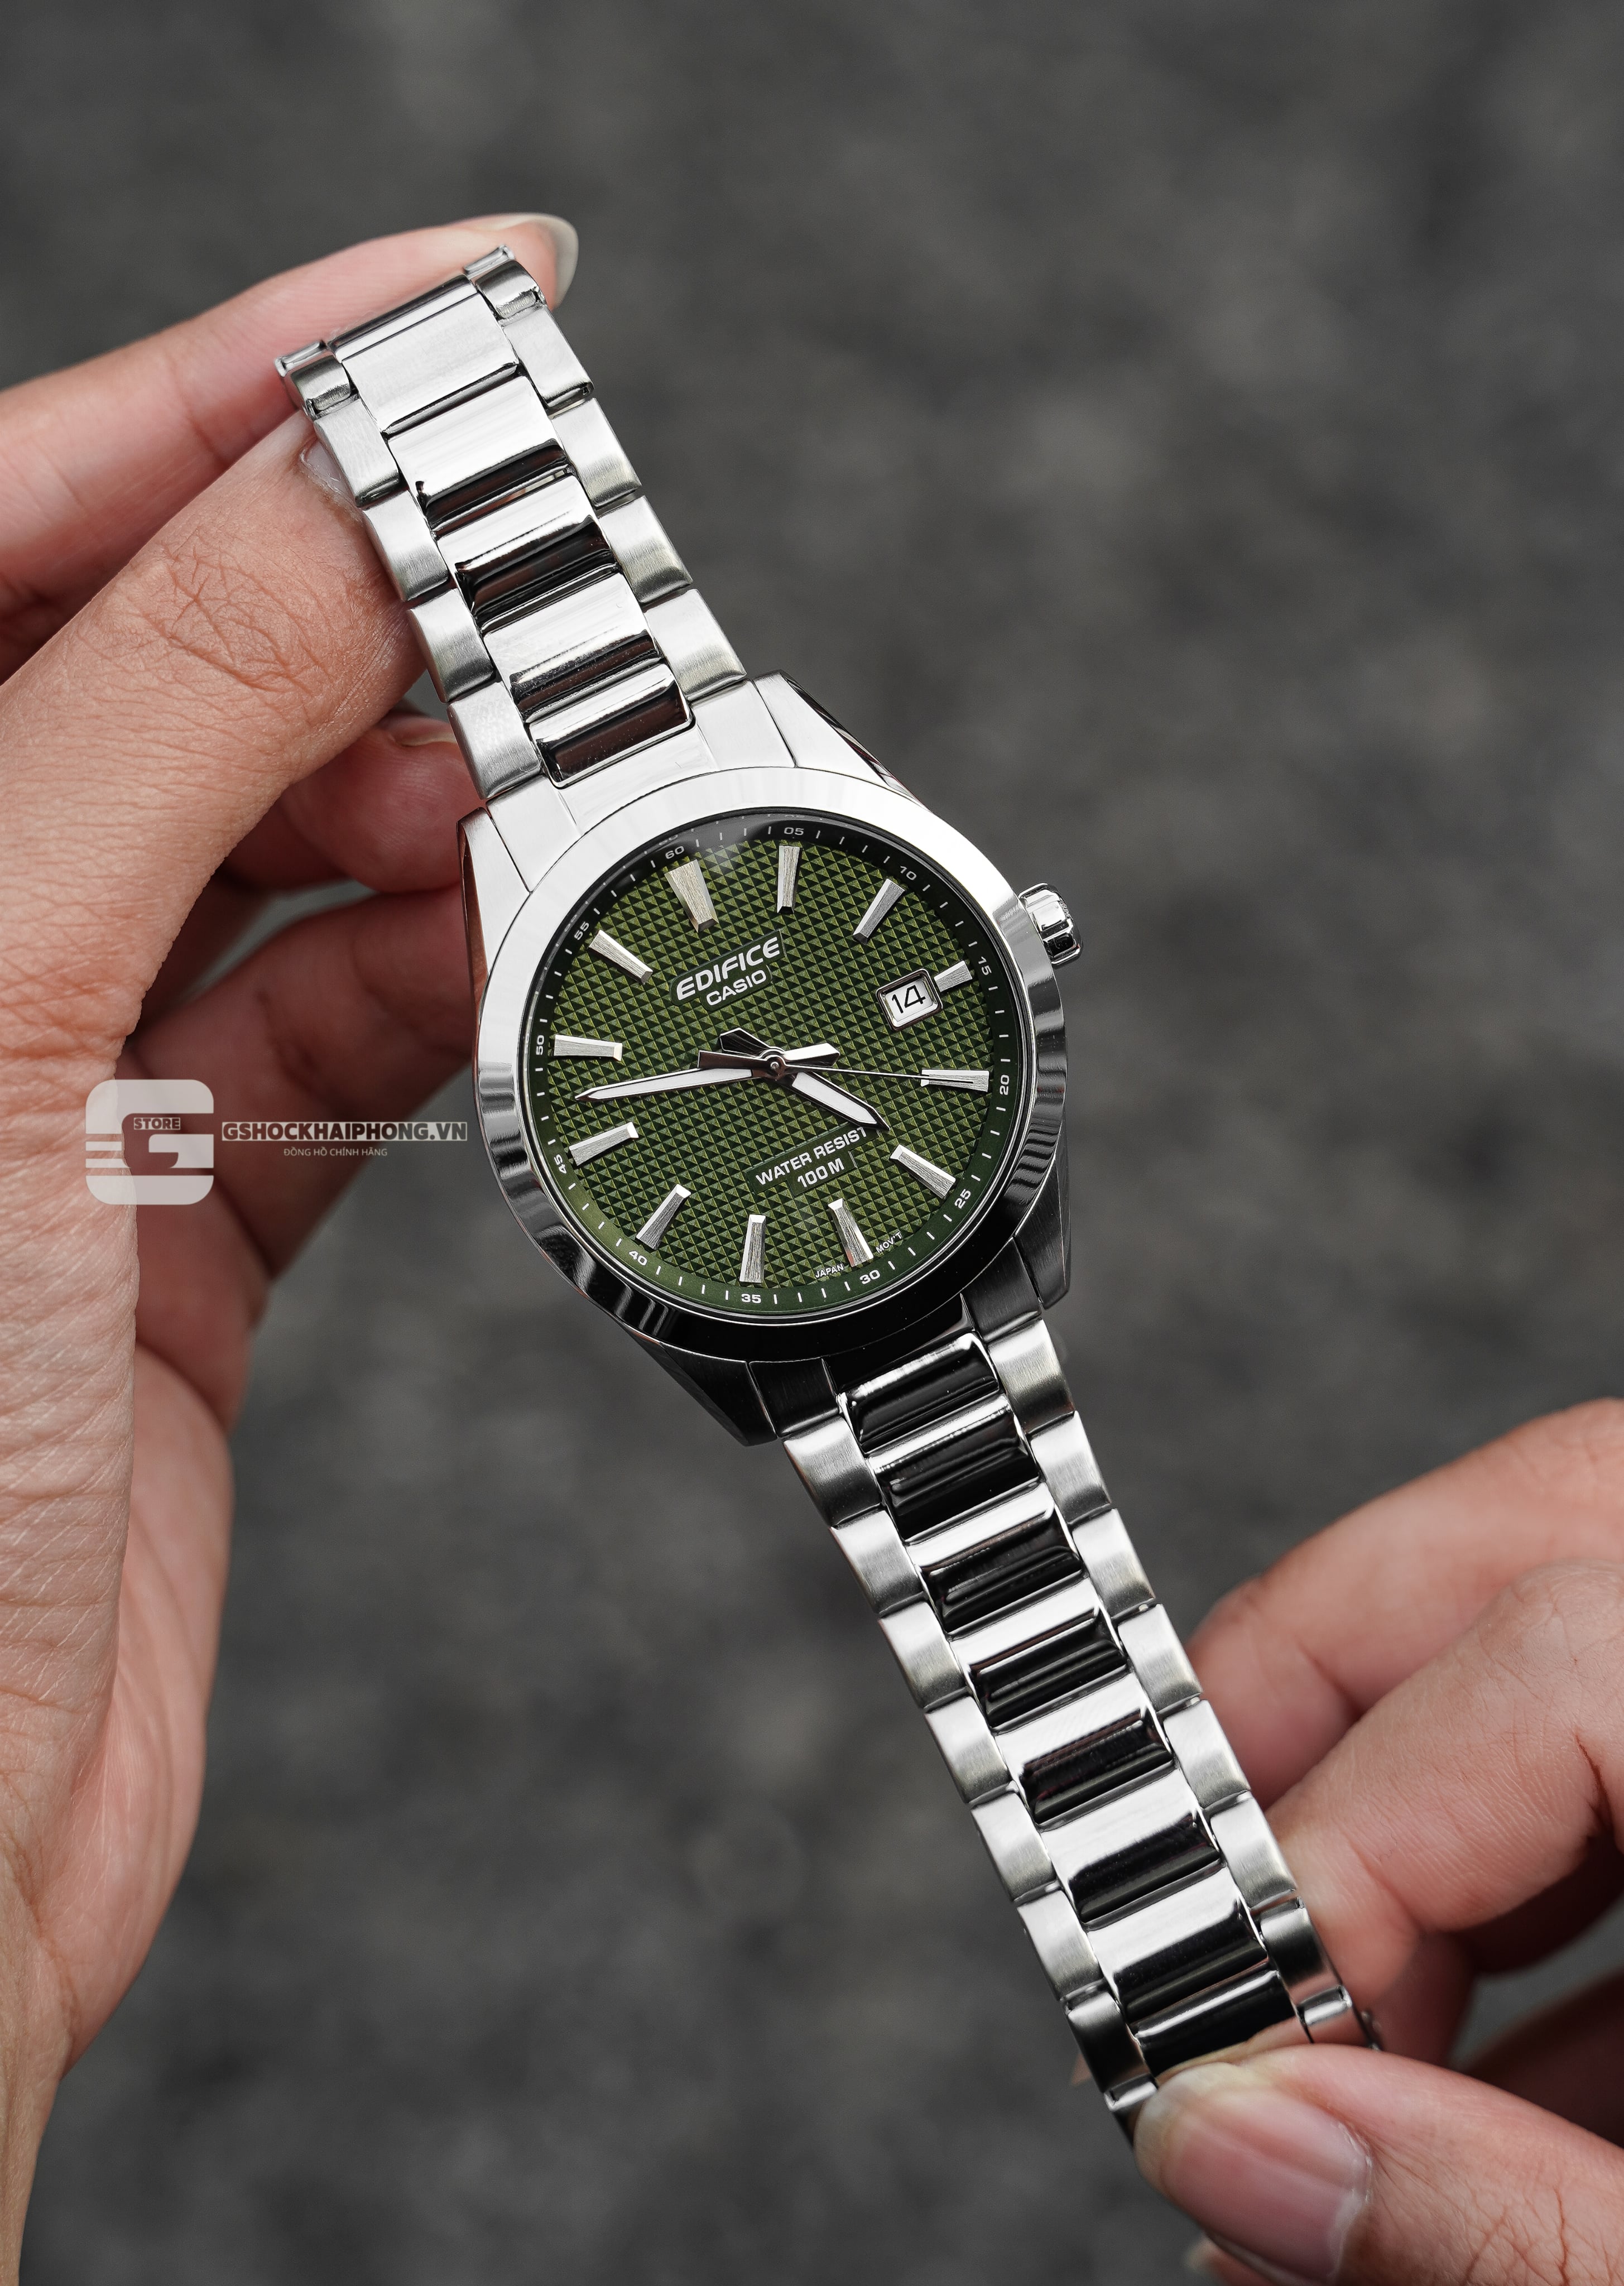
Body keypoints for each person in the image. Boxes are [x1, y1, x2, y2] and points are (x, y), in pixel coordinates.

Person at [0, 221, 1621, 2286]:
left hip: (855, 1237)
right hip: (823, 1241)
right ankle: (1251, 2058)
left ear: (1006, 957)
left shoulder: (739, 959)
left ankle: (1247, 2048)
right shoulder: (700, 1006)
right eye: (708, 1071)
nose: (758, 1062)